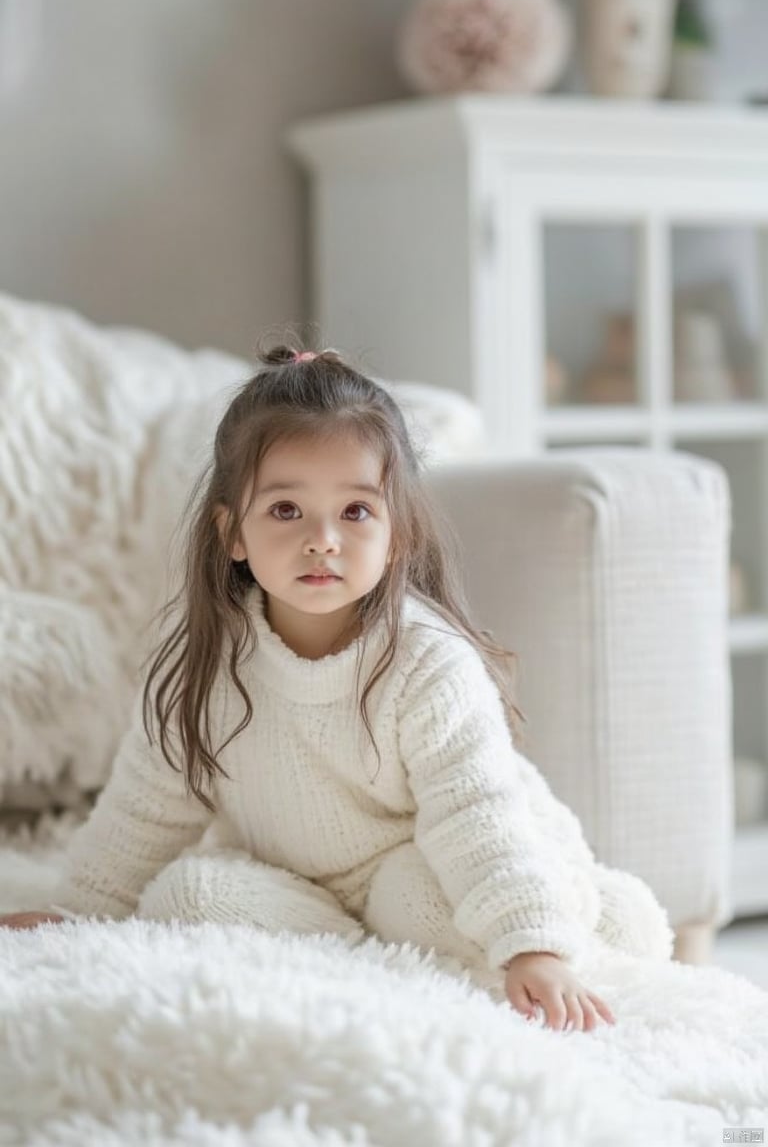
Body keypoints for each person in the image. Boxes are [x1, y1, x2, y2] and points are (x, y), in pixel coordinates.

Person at [0, 346, 673, 1033]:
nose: (323, 541)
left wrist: (531, 946)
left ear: (397, 535)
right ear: (233, 533)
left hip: (437, 852)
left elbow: (477, 814)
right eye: (287, 511)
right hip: (303, 881)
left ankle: (585, 909)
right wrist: (77, 914)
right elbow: (145, 810)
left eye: (355, 512)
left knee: (420, 907)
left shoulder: (426, 663)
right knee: (189, 895)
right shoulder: (204, 665)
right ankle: (352, 948)